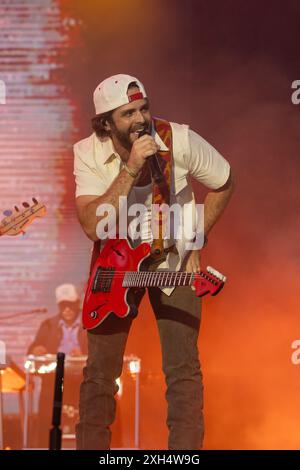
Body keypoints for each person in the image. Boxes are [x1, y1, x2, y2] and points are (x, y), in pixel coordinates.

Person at [73, 74, 234, 450]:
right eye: (127, 113)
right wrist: (130, 167)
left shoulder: (177, 138)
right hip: (114, 268)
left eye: (143, 108)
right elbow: (91, 226)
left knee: (183, 373)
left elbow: (225, 181)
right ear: (105, 123)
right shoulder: (87, 152)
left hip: (172, 263)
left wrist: (196, 238)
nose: (140, 119)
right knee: (99, 376)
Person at [27, 283, 87, 447]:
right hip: (53, 382)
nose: (66, 309)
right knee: (47, 411)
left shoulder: (89, 323)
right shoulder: (48, 325)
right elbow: (32, 351)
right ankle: (44, 446)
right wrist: (37, 349)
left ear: (77, 304)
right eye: (63, 306)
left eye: (70, 305)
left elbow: (101, 352)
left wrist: (83, 355)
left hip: (81, 382)